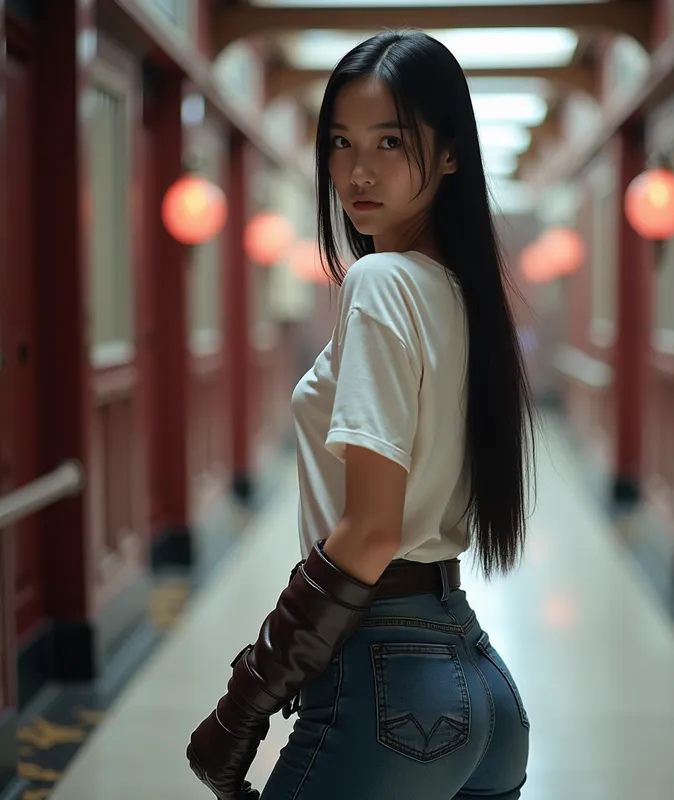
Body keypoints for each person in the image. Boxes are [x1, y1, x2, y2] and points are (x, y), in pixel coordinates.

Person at [186, 29, 537, 800]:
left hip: (386, 686)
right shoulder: (467, 297)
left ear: (450, 153)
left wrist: (246, 700)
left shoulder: (379, 281)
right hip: (480, 684)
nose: (357, 170)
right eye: (341, 143)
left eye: (390, 140)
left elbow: (374, 531)